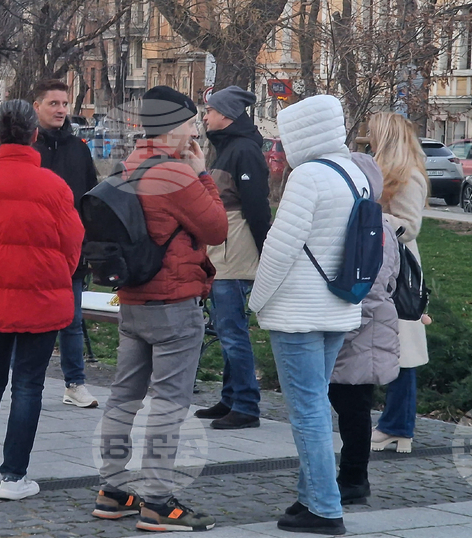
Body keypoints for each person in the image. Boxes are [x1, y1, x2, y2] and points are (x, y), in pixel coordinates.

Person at [92, 86, 228, 533]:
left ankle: (112, 490)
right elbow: (216, 227)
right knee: (169, 403)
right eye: (190, 123)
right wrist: (202, 174)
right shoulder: (177, 175)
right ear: (173, 127)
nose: (195, 130)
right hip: (173, 304)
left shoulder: (130, 165)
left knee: (123, 396)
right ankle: (157, 501)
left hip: (133, 299)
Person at [0, 100, 84, 501]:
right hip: (41, 297)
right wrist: (53, 270)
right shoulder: (54, 187)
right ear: (33, 135)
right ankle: (14, 477)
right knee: (28, 385)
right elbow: (72, 243)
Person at [249, 95, 365, 536]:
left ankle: (324, 508)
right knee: (316, 403)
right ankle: (307, 497)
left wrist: (256, 299)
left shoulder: (307, 178)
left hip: (297, 309)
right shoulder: (354, 173)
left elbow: (281, 246)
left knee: (308, 409)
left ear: (300, 134)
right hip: (339, 305)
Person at [328, 152, 401, 506]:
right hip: (370, 321)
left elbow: (371, 279)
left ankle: (354, 477)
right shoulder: (382, 222)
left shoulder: (367, 223)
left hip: (362, 323)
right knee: (350, 403)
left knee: (353, 405)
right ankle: (352, 475)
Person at [195, 85, 270, 430]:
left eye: (210, 110)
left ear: (226, 115)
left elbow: (257, 207)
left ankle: (246, 405)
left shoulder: (243, 150)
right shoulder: (227, 147)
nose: (205, 116)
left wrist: (265, 248)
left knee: (231, 330)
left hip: (234, 251)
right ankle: (230, 399)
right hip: (222, 249)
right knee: (226, 328)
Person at [31, 79, 100, 409]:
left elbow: (90, 199)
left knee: (72, 320)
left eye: (64, 103)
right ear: (37, 107)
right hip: (34, 250)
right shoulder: (29, 150)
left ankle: (75, 383)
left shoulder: (78, 148)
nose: (60, 110)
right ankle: (26, 378)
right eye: (53, 103)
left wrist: (88, 245)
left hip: (72, 251)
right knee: (31, 320)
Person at [368, 111, 430, 455]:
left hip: (399, 270)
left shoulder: (407, 175)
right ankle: (394, 423)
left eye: (374, 134)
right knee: (387, 345)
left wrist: (372, 216)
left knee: (402, 348)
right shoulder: (388, 171)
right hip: (382, 263)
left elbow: (410, 226)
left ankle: (397, 425)